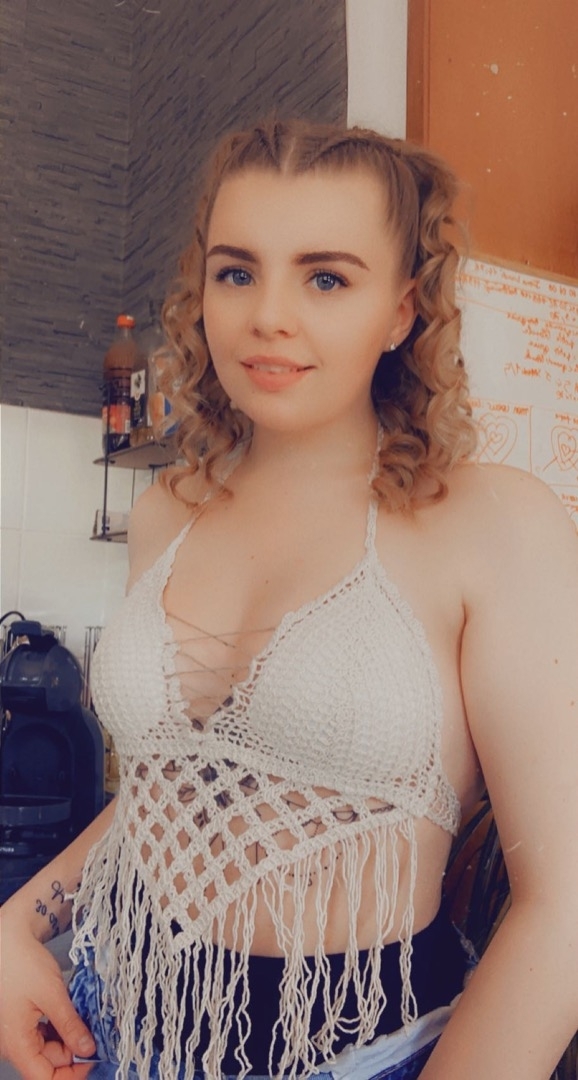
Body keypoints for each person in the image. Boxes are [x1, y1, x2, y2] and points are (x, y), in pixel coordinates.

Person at [1, 118, 577, 1080]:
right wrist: (15, 928)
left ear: (401, 311)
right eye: (237, 272)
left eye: (326, 278)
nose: (268, 315)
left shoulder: (495, 523)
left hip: (361, 1056)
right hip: (109, 1020)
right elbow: (165, 789)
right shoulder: (167, 512)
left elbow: (564, 907)